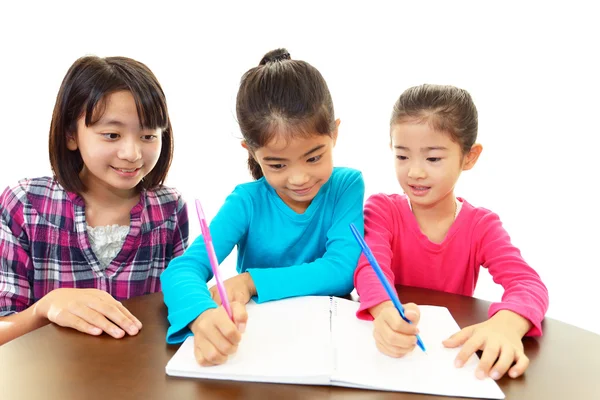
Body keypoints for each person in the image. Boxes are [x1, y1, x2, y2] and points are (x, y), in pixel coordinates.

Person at [161, 48, 364, 366]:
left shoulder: (346, 186)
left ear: (334, 133)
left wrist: (249, 281)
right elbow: (183, 270)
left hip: (330, 345)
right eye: (278, 164)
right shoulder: (246, 201)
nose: (299, 178)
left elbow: (341, 271)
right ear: (252, 152)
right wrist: (201, 316)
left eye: (313, 157)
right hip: (261, 346)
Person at [354, 84, 548, 380]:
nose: (415, 172)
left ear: (469, 157)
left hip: (445, 362)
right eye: (402, 156)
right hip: (391, 361)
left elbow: (527, 283)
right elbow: (371, 268)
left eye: (433, 159)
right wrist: (384, 313)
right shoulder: (382, 210)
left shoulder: (482, 226)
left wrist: (507, 324)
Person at [0, 56, 188, 345]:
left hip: (139, 383)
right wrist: (45, 308)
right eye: (112, 135)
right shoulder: (24, 205)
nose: (132, 153)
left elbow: (180, 311)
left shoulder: (170, 210)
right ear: (71, 135)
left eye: (148, 135)